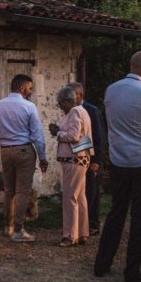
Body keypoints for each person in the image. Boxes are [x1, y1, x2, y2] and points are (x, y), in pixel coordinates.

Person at [94, 51, 141, 282]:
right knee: (140, 216)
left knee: (116, 211)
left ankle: (102, 263)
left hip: (118, 159)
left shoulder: (111, 90)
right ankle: (131, 270)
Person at [0, 73, 48, 242]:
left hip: (6, 150)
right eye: (30, 88)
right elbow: (37, 135)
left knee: (9, 191)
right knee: (22, 192)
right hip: (24, 151)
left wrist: (4, 142)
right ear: (22, 88)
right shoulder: (29, 107)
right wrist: (43, 157)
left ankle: (7, 227)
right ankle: (18, 230)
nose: (31, 92)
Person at [49, 85, 92, 247]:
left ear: (67, 101)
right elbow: (79, 133)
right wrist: (60, 130)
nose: (60, 106)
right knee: (80, 197)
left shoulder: (74, 112)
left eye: (60, 103)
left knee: (69, 198)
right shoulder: (83, 111)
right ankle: (82, 232)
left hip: (73, 159)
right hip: (81, 158)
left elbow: (74, 136)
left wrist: (57, 133)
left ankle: (70, 235)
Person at [72, 82, 106, 235]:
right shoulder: (71, 110)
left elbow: (99, 136)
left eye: (72, 95)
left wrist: (97, 160)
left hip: (90, 157)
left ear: (80, 95)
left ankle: (92, 224)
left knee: (91, 191)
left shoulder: (92, 110)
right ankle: (80, 223)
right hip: (77, 157)